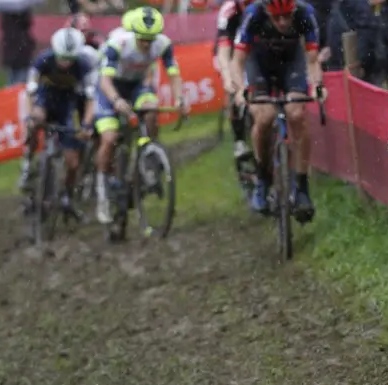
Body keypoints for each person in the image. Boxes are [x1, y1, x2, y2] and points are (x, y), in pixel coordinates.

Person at [230, 0, 325, 223]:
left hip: (291, 64)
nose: (282, 22)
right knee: (264, 118)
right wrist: (240, 88)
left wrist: (318, 84)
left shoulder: (304, 13)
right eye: (276, 17)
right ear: (267, 12)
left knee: (297, 114)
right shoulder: (253, 14)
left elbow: (312, 60)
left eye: (287, 16)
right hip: (259, 65)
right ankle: (262, 178)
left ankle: (302, 187)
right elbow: (238, 60)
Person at [94, 6, 190, 224]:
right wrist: (117, 101)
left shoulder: (163, 44)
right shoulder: (118, 44)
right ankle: (102, 190)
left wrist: (180, 99)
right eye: (142, 39)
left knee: (150, 109)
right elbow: (104, 81)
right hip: (110, 88)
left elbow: (174, 75)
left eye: (150, 39)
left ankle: (150, 152)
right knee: (109, 138)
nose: (147, 44)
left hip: (137, 85)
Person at [18, 28, 97, 214]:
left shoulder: (84, 66)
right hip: (44, 100)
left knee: (73, 162)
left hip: (67, 105)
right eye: (62, 57)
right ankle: (28, 164)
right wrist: (29, 117)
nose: (65, 62)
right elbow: (30, 92)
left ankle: (67, 196)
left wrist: (86, 124)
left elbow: (92, 100)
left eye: (70, 58)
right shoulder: (42, 60)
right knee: (36, 119)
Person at [213, 0, 254, 162]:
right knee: (233, 87)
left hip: (253, 47)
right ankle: (239, 140)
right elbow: (224, 52)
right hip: (229, 50)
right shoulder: (228, 11)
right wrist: (227, 78)